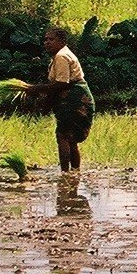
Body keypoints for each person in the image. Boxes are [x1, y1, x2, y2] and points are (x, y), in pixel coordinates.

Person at [43, 27, 94, 173]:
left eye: (51, 39)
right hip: (75, 98)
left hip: (75, 99)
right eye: (45, 39)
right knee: (70, 139)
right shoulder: (60, 55)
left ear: (62, 41)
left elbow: (61, 84)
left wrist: (34, 88)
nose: (47, 42)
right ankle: (74, 172)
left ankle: (65, 173)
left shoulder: (61, 56)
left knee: (63, 136)